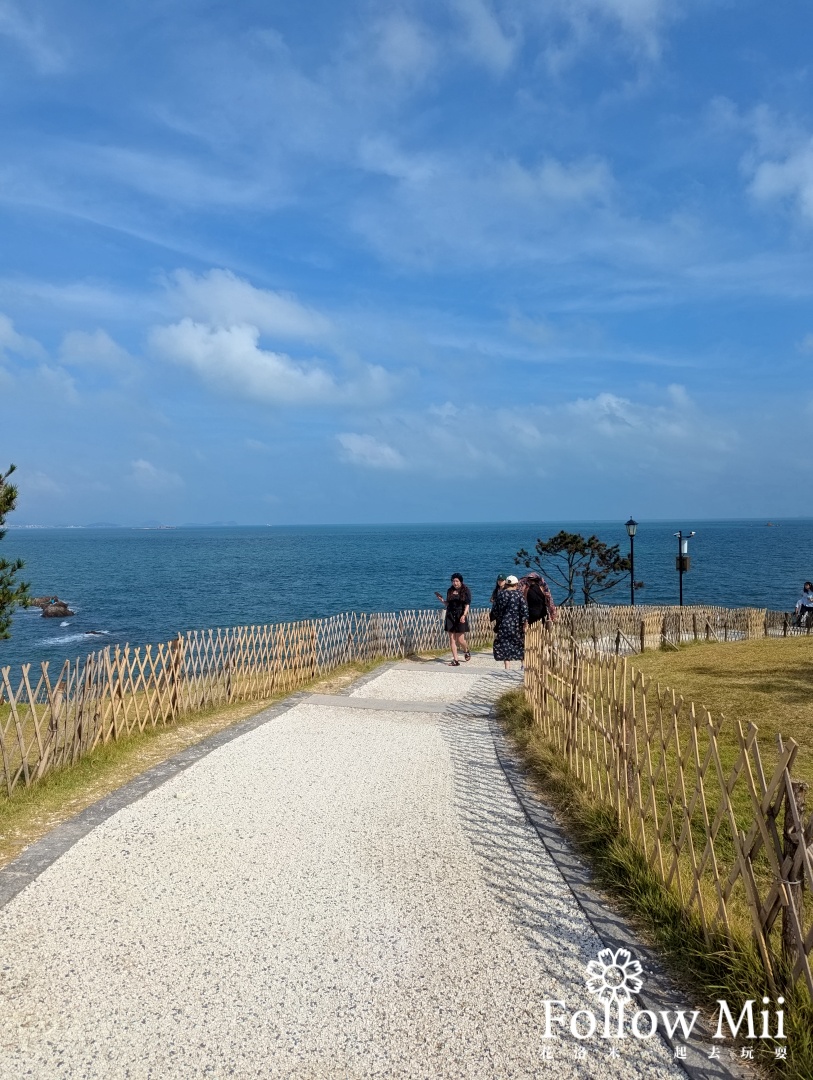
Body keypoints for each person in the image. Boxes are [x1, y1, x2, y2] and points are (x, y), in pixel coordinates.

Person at [491, 574, 528, 671]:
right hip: (516, 624)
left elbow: (495, 610)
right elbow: (524, 610)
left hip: (503, 624)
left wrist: (497, 618)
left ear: (506, 584)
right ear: (516, 584)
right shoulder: (519, 595)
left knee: (504, 644)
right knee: (519, 643)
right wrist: (525, 623)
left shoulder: (501, 595)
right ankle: (522, 664)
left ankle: (507, 667)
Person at [435, 573, 471, 666]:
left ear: (460, 581)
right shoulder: (450, 590)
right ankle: (456, 660)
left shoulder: (466, 590)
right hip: (450, 614)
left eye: (457, 581)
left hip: (460, 614)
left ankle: (466, 650)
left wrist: (464, 615)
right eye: (453, 581)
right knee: (452, 638)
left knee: (460, 639)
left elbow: (467, 604)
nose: (455, 583)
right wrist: (441, 600)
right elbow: (448, 604)